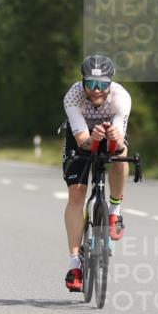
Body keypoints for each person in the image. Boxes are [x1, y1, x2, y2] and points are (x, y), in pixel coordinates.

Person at [62, 54, 131, 292]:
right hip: (81, 137)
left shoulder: (121, 98)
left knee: (120, 157)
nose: (96, 90)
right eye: (90, 83)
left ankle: (114, 211)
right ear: (83, 82)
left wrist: (113, 139)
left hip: (111, 134)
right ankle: (74, 265)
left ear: (110, 83)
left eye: (102, 84)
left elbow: (119, 145)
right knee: (76, 195)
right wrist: (93, 138)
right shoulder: (73, 97)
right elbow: (82, 141)